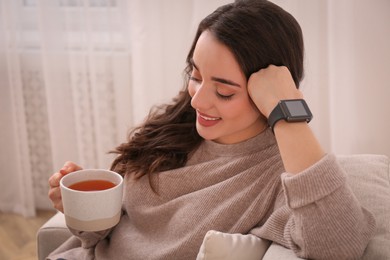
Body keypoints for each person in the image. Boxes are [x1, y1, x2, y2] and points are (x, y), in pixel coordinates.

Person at [47, 0, 375, 259]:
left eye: (225, 91)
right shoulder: (174, 124)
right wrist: (82, 211)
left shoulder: (279, 175)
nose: (198, 101)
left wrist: (288, 109)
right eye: (196, 75)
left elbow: (339, 246)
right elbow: (111, 234)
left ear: (270, 93)